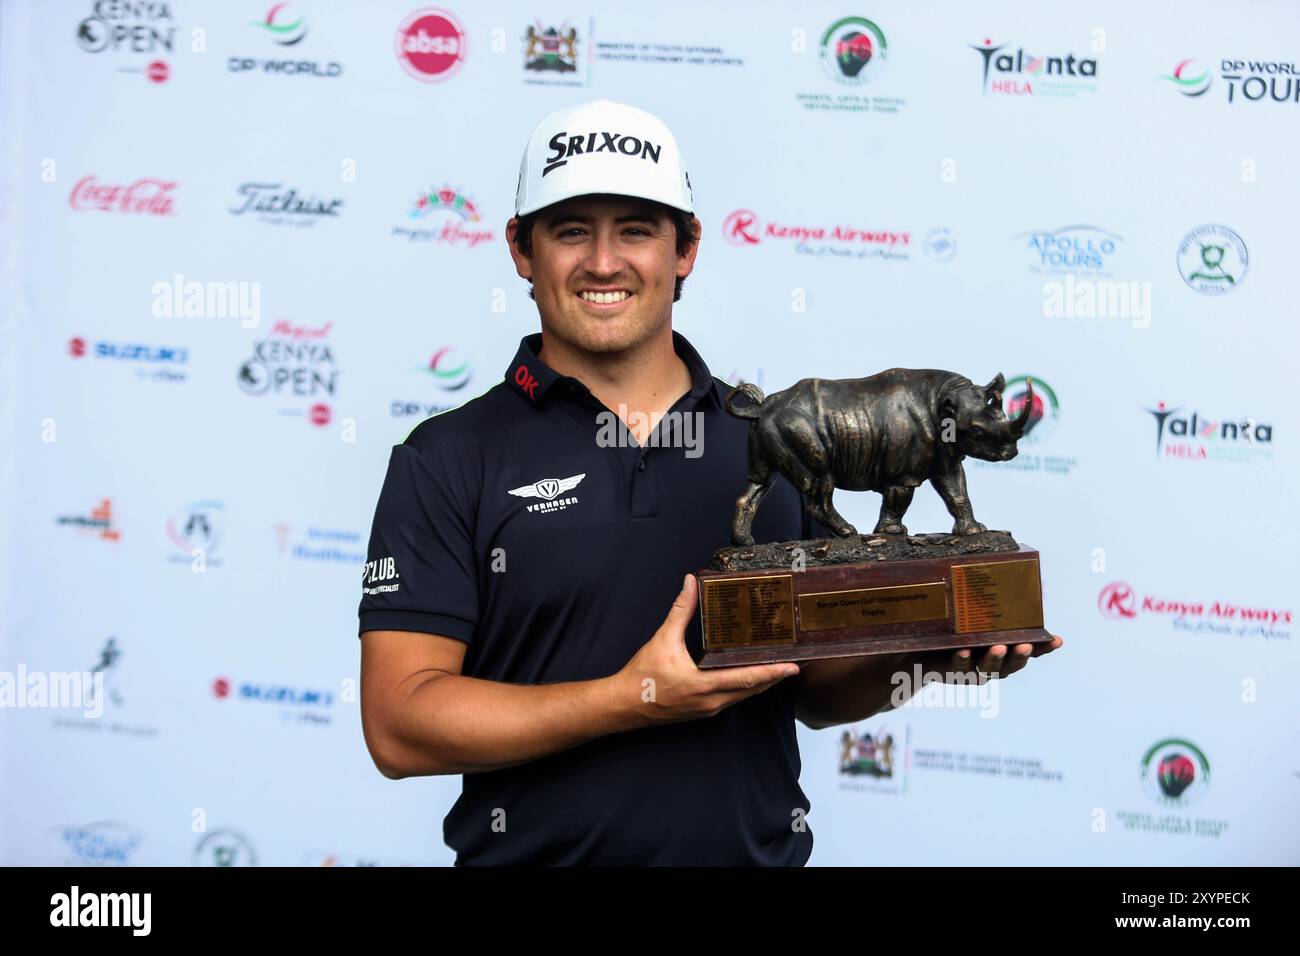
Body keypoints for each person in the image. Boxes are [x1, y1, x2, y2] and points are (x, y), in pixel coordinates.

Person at [357, 99, 1062, 865]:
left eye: (636, 229)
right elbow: (399, 725)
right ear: (521, 252)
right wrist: (631, 700)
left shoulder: (767, 435)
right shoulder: (449, 457)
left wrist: (923, 652)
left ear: (685, 248)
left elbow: (816, 692)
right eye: (569, 231)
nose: (602, 261)